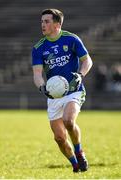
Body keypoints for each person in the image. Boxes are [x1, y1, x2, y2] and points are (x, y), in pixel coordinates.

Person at [32, 9, 93, 173]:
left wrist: (80, 75)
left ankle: (79, 151)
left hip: (74, 90)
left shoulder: (71, 39)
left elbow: (87, 61)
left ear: (57, 24)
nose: (43, 25)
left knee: (68, 120)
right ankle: (74, 164)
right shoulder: (38, 48)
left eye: (47, 21)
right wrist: (42, 87)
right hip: (54, 95)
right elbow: (37, 74)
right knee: (59, 138)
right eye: (42, 21)